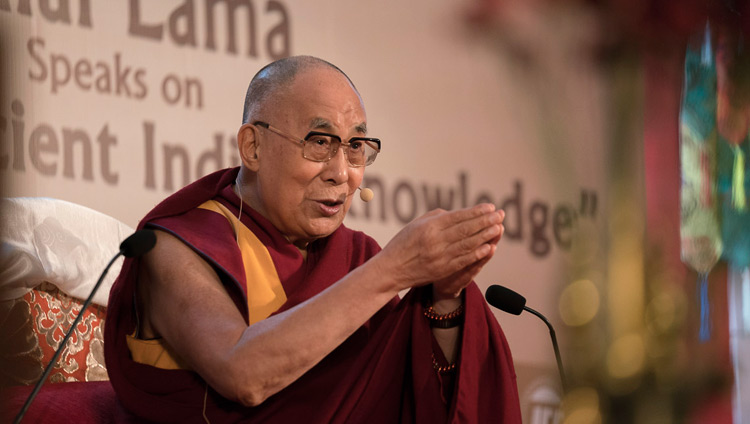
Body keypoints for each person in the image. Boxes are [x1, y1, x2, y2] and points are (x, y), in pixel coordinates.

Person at [104, 56, 521, 423]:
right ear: (253, 147)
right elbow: (241, 373)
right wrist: (395, 270)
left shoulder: (356, 258)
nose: (341, 172)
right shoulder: (177, 246)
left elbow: (405, 396)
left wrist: (445, 300)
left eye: (356, 146)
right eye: (320, 143)